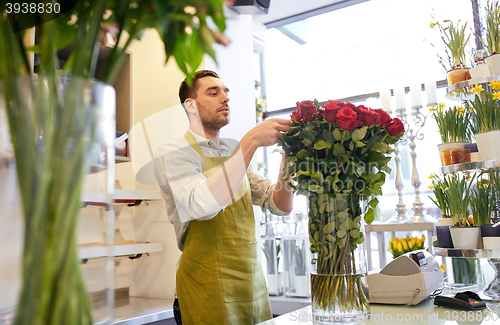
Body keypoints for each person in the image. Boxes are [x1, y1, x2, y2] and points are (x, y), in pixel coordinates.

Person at [154, 70, 294, 325]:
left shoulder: (233, 156)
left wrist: (290, 157)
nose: (225, 97)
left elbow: (279, 205)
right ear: (191, 106)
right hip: (204, 288)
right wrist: (250, 141)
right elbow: (203, 206)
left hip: (251, 287)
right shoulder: (174, 153)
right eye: (213, 92)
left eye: (226, 91)